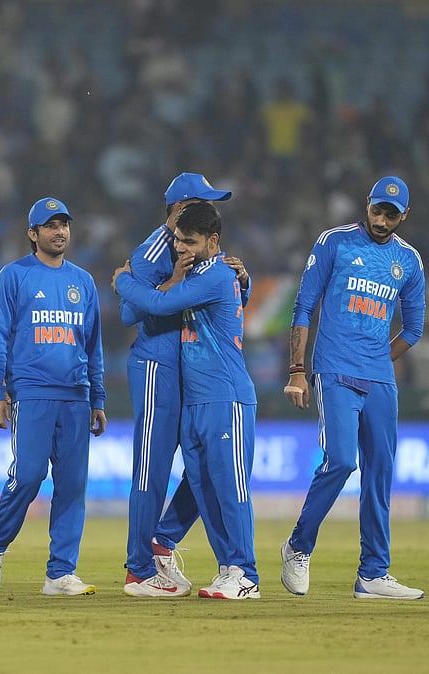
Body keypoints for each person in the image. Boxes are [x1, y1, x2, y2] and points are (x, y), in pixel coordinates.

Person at [281, 175, 426, 600]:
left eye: (391, 214)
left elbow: (414, 328)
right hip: (335, 370)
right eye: (377, 210)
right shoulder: (335, 242)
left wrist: (381, 359)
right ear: (367, 205)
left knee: (380, 472)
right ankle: (298, 546)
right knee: (342, 461)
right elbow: (305, 304)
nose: (382, 220)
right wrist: (296, 369)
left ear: (405, 216)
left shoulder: (410, 262)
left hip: (379, 377)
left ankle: (373, 574)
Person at [114, 200, 260, 600]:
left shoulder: (215, 274)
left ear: (213, 241)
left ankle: (245, 573)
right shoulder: (210, 272)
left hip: (225, 396)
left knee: (230, 488)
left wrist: (123, 280)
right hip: (196, 399)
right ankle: (228, 568)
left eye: (191, 242)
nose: (181, 249)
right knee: (205, 488)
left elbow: (159, 304)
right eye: (178, 240)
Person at [0, 197, 107, 596]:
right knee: (29, 475)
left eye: (64, 224)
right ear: (32, 234)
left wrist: (97, 397)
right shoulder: (14, 276)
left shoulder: (83, 281)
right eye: (50, 226)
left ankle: (60, 573)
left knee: (72, 485)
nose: (60, 231)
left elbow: (93, 344)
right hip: (31, 393)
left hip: (76, 395)